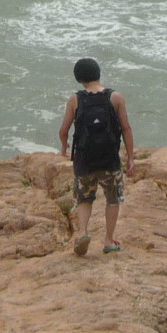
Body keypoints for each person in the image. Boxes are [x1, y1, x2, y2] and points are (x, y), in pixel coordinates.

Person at [56, 57, 135, 256]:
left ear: (80, 79)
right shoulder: (115, 97)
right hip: (110, 161)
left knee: (84, 198)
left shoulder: (75, 99)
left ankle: (83, 232)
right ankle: (108, 240)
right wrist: (131, 158)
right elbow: (126, 128)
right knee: (112, 199)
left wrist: (64, 148)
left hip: (85, 161)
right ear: (98, 74)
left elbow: (64, 130)